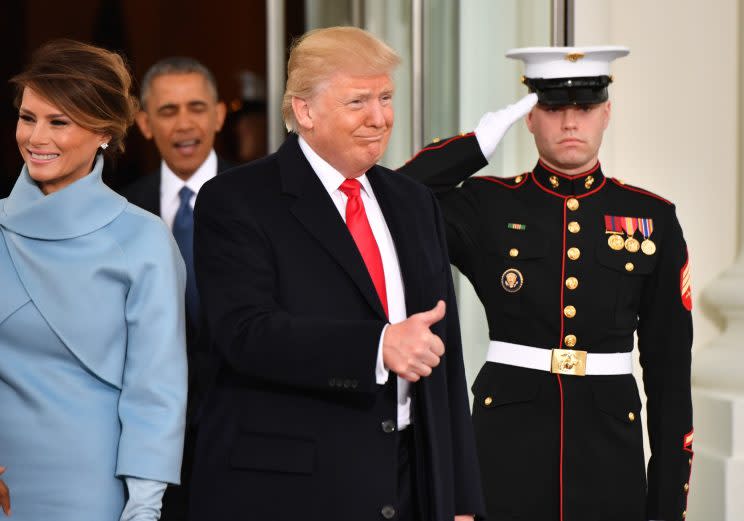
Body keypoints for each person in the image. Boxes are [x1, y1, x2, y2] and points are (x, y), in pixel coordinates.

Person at [189, 26, 484, 521]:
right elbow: (244, 333)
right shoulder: (236, 201)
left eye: (386, 97)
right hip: (296, 493)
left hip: (413, 487)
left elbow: (442, 354)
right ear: (304, 111)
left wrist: (461, 500)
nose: (379, 117)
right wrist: (377, 346)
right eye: (358, 102)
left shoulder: (413, 202)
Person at [399, 47, 693, 521]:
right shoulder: (487, 205)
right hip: (507, 441)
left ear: (607, 114)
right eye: (554, 109)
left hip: (610, 447)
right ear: (530, 118)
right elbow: (396, 204)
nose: (571, 123)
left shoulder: (651, 218)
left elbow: (670, 374)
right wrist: (475, 145)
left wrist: (665, 506)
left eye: (585, 108)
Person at [0, 40, 187, 521]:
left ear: (104, 131)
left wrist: (144, 506)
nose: (36, 137)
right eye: (27, 117)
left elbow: (156, 389)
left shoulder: (142, 240)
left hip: (91, 487)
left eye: (58, 122)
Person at [121, 57, 230, 521]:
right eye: (167, 111)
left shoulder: (265, 198)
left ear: (219, 115)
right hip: (152, 439)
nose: (184, 123)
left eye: (196, 107)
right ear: (144, 122)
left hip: (240, 427)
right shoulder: (120, 208)